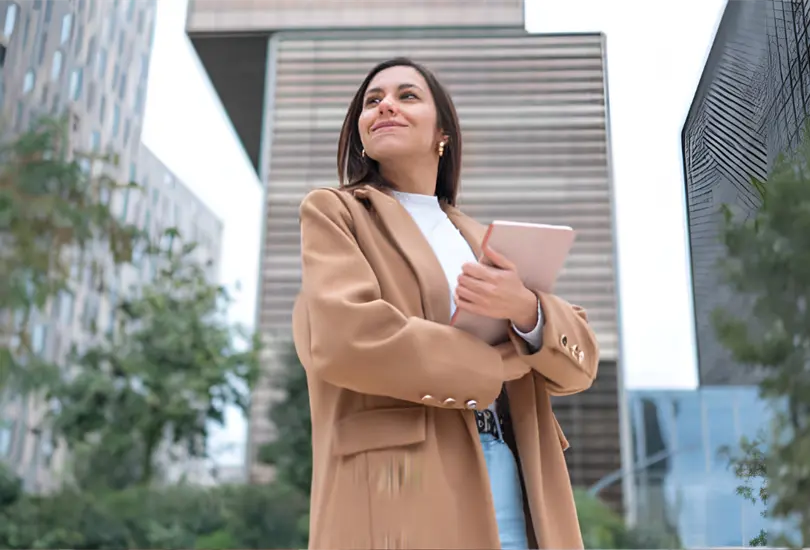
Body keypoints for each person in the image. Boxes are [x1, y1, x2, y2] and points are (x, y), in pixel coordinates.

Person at [292, 57, 600, 550]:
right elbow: (348, 336)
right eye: (373, 101)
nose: (385, 106)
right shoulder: (337, 213)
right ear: (361, 134)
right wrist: (496, 364)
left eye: (407, 96)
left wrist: (526, 309)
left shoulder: (484, 239)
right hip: (403, 484)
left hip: (515, 474)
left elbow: (579, 364)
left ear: (443, 134)